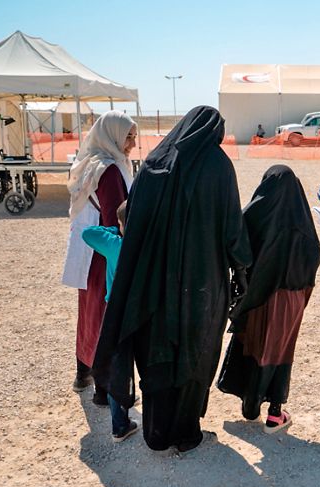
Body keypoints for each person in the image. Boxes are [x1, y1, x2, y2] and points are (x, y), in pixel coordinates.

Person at [94, 106, 252, 456]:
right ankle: (186, 432)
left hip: (153, 282)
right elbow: (232, 229)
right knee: (194, 351)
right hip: (204, 283)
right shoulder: (219, 166)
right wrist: (243, 269)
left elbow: (130, 218)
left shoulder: (154, 165)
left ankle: (156, 432)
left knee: (156, 351)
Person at [217, 165, 320, 433]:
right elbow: (315, 257)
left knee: (253, 344)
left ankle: (250, 406)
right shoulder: (302, 221)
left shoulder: (255, 216)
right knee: (280, 350)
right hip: (291, 299)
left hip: (259, 296)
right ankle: (275, 413)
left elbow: (236, 242)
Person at [62, 110, 137, 406]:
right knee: (105, 319)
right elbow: (113, 217)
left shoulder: (89, 163)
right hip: (105, 258)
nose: (131, 143)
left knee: (88, 315)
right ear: (112, 136)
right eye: (127, 137)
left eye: (133, 137)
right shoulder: (110, 170)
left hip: (88, 253)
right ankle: (104, 387)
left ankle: (83, 373)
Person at [82, 200, 139, 442]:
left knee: (118, 367)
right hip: (142, 312)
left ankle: (120, 425)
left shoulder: (115, 244)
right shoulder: (144, 246)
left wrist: (116, 229)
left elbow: (88, 233)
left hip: (115, 313)